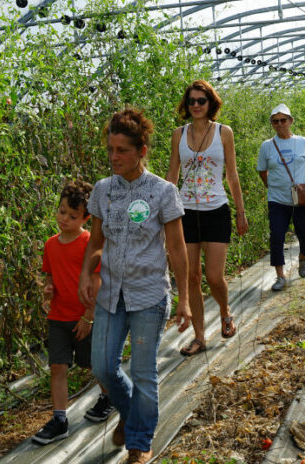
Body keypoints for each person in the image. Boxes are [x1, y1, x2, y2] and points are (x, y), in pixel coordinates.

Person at [78, 107, 191, 464]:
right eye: (110, 150)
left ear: (141, 151)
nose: (114, 157)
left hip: (149, 295)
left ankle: (140, 444)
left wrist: (185, 299)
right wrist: (87, 273)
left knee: (144, 372)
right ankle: (130, 416)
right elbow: (95, 241)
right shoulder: (102, 191)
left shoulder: (163, 192)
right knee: (102, 367)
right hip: (111, 294)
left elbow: (176, 248)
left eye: (122, 150)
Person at [166, 80, 248, 357]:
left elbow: (232, 175)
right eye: (192, 101)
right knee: (191, 277)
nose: (197, 105)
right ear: (186, 106)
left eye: (202, 100)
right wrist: (164, 213)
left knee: (214, 277)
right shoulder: (179, 134)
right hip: (186, 212)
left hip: (216, 209)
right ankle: (200, 337)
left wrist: (240, 212)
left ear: (211, 103)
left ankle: (225, 311)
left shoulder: (224, 133)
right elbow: (172, 175)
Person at [33, 180, 112, 445]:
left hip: (84, 317)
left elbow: (98, 280)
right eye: (62, 211)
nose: (64, 218)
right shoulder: (50, 244)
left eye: (72, 215)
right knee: (57, 366)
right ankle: (59, 419)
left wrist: (88, 316)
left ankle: (108, 397)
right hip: (58, 317)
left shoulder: (90, 243)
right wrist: (49, 287)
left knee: (93, 364)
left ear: (86, 218)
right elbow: (52, 275)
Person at [257, 103, 305, 292]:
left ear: (291, 121)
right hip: (277, 199)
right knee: (276, 236)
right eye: (275, 121)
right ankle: (280, 276)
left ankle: (303, 258)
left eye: (283, 120)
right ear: (272, 124)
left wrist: (302, 186)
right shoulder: (267, 146)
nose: (280, 124)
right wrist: (272, 186)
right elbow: (262, 171)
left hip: (301, 199)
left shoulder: (302, 142)